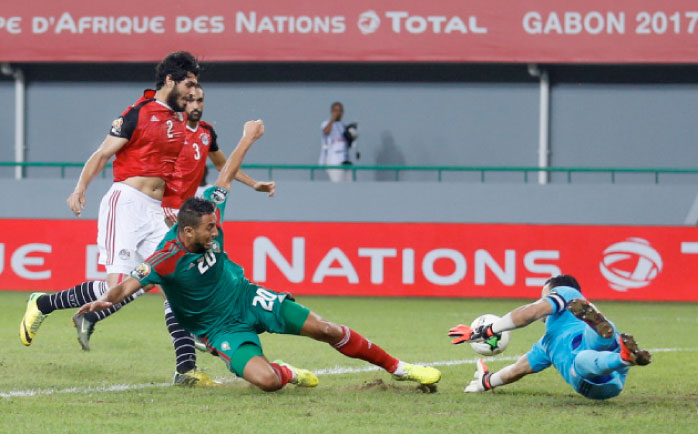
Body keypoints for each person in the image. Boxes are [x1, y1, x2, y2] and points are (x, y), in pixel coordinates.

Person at [77, 119, 442, 392]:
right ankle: (287, 371)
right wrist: (101, 303)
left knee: (326, 329)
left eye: (215, 225)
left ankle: (399, 367)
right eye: (209, 229)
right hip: (219, 328)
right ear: (187, 232)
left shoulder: (207, 217)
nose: (215, 231)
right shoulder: (164, 258)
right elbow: (126, 286)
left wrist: (247, 138)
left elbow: (225, 178)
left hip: (249, 298)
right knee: (267, 382)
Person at [19, 51, 217, 386]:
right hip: (125, 204)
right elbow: (102, 154)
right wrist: (80, 188)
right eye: (189, 83)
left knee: (177, 280)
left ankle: (185, 370)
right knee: (117, 290)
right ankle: (43, 303)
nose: (193, 91)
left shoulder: (181, 121)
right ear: (170, 80)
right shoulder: (137, 114)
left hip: (155, 212)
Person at [72, 83, 276, 364]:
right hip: (164, 213)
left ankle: (184, 360)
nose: (195, 104)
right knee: (146, 279)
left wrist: (254, 184)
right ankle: (54, 305)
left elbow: (224, 168)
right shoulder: (167, 128)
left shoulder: (206, 133)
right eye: (190, 98)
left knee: (157, 281)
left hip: (185, 213)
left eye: (200, 99)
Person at [448, 275, 651, 400]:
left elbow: (528, 313)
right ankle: (623, 355)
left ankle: (619, 352)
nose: (540, 301)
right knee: (587, 353)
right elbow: (517, 370)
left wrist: (486, 330)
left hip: (599, 370)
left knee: (592, 342)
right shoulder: (544, 346)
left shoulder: (565, 292)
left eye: (544, 296)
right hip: (598, 378)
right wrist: (487, 380)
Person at [319, 102, 358, 183]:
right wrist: (332, 120)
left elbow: (349, 142)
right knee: (337, 183)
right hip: (333, 160)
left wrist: (353, 134)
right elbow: (325, 132)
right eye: (335, 110)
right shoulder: (326, 123)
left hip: (346, 160)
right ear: (331, 112)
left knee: (349, 183)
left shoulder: (344, 125)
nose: (338, 113)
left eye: (340, 110)